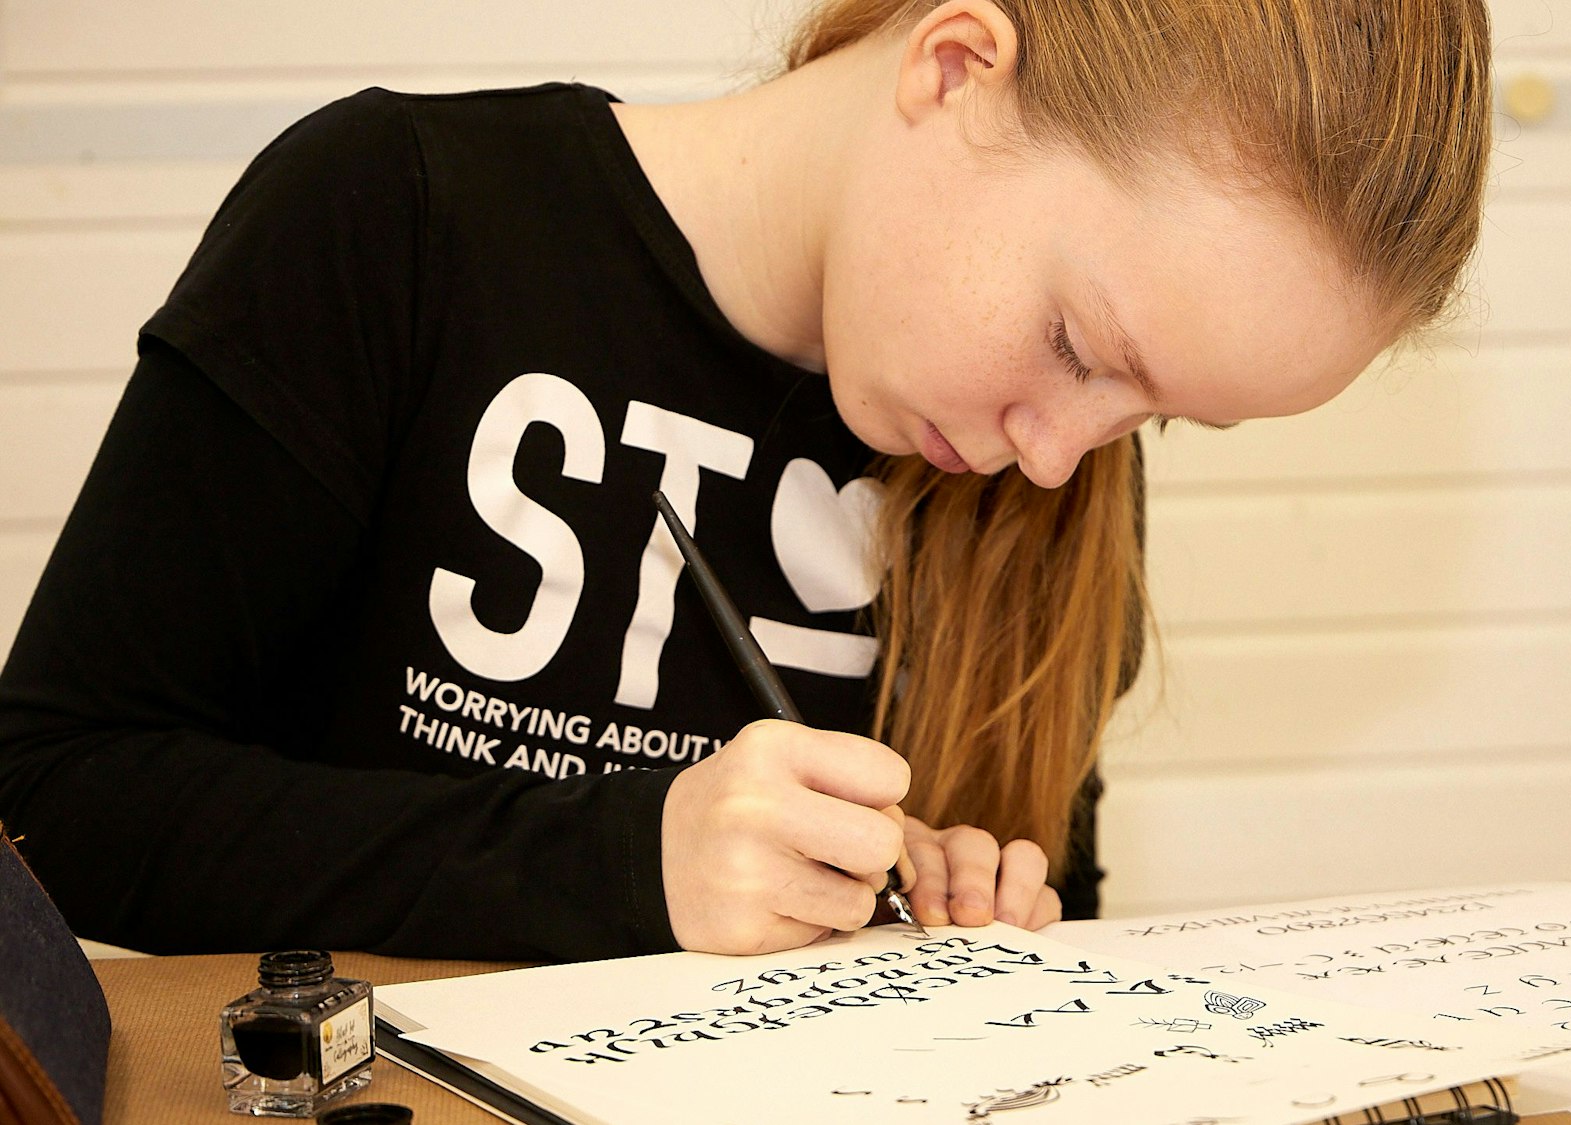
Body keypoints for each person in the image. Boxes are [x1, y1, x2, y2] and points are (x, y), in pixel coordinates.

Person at [0, 0, 1490, 961]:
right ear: (955, 70)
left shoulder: (1046, 465)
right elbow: (59, 794)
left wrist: (968, 919)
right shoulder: (397, 219)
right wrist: (627, 865)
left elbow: (1033, 926)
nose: (1058, 453)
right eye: (1077, 344)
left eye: (1151, 418)